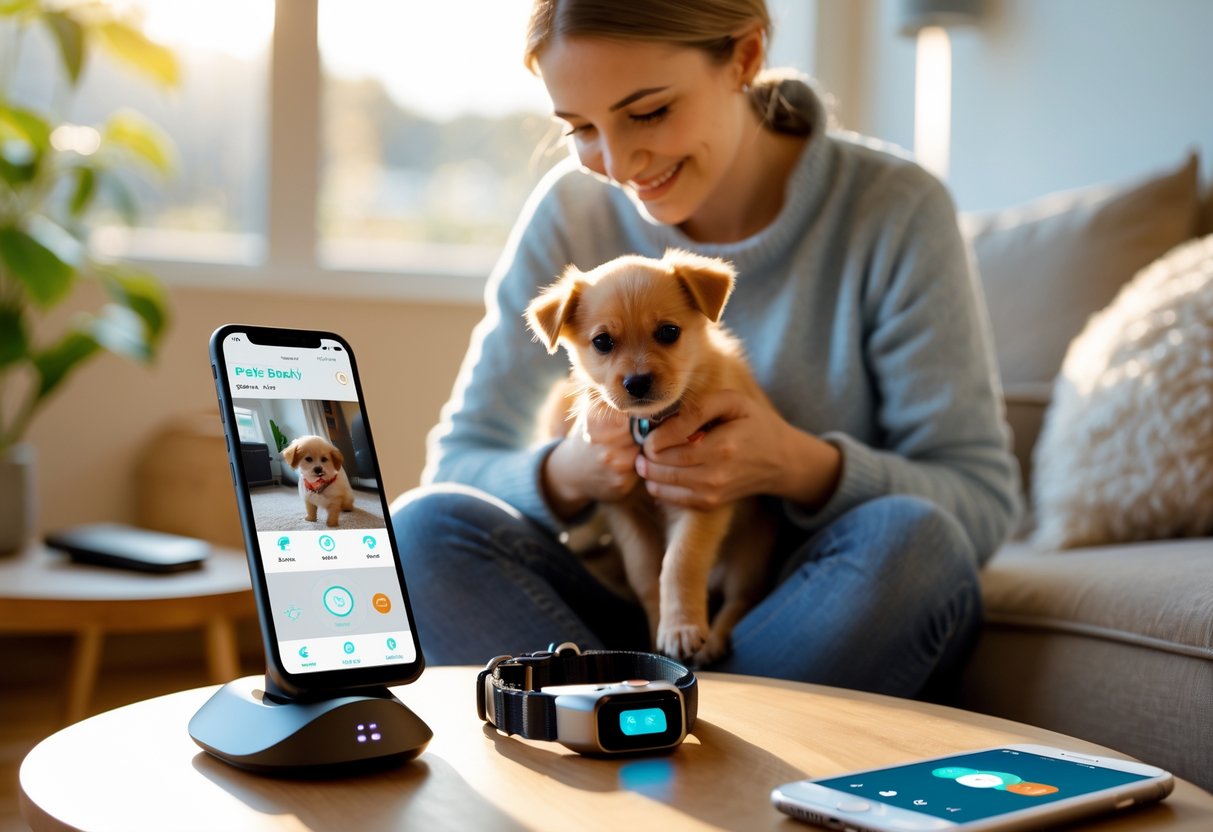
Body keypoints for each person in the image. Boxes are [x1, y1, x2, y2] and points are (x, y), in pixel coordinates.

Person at [391, 0, 1020, 697]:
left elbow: (980, 505)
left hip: (802, 612)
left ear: (745, 58)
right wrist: (572, 472)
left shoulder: (893, 208)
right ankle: (678, 738)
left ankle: (643, 738)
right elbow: (455, 467)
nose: (617, 160)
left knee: (917, 548)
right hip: (622, 621)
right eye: (580, 128)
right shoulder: (570, 209)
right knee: (419, 532)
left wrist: (792, 464)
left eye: (649, 111)